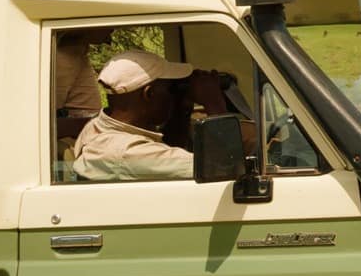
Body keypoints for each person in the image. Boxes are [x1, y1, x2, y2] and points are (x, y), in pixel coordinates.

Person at [71, 49, 237, 182]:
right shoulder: (128, 153)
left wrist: (182, 106)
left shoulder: (97, 127)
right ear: (149, 94)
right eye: (170, 89)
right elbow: (224, 168)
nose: (173, 95)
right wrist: (214, 103)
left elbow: (169, 147)